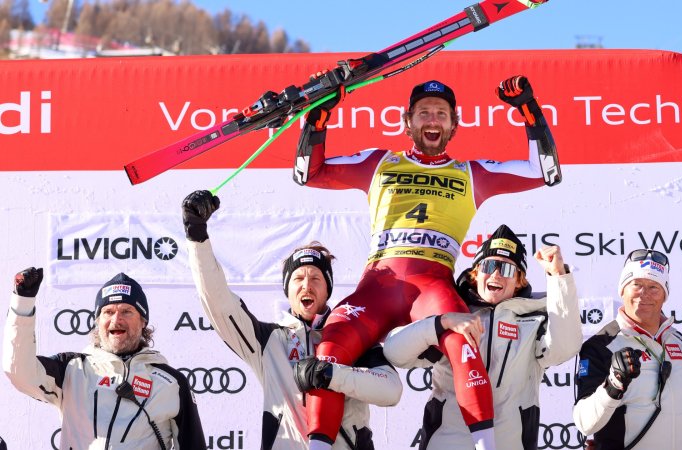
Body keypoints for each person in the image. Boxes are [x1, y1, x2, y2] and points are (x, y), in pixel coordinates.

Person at [293, 74, 560, 450]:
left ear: (454, 124)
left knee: (463, 339)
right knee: (329, 350)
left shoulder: (472, 173)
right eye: (423, 113)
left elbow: (545, 171)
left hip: (432, 288)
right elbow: (308, 172)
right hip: (377, 288)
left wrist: (528, 110)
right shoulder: (379, 163)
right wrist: (318, 116)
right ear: (407, 121)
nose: (432, 120)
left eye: (441, 113)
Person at [181, 190, 403, 450]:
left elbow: (391, 390)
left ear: (328, 289)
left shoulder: (355, 334)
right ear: (287, 290)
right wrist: (197, 238)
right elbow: (219, 303)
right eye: (298, 278)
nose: (306, 285)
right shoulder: (268, 341)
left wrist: (331, 374)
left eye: (315, 278)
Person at [383, 224, 582, 449]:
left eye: (507, 269)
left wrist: (558, 277)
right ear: (476, 273)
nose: (496, 274)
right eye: (489, 265)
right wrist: (442, 322)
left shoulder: (534, 319)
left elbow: (565, 348)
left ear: (519, 281)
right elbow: (395, 353)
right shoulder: (451, 309)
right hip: (447, 442)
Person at [3, 268, 205, 450]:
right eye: (108, 312)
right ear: (98, 321)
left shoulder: (171, 383)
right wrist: (23, 303)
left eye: (127, 311)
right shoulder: (73, 369)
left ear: (143, 321)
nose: (116, 320)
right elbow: (20, 371)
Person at [573, 249, 682, 449]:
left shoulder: (678, 340)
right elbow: (584, 422)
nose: (644, 294)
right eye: (636, 284)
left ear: (665, 295)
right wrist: (613, 385)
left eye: (654, 287)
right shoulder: (601, 345)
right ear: (622, 290)